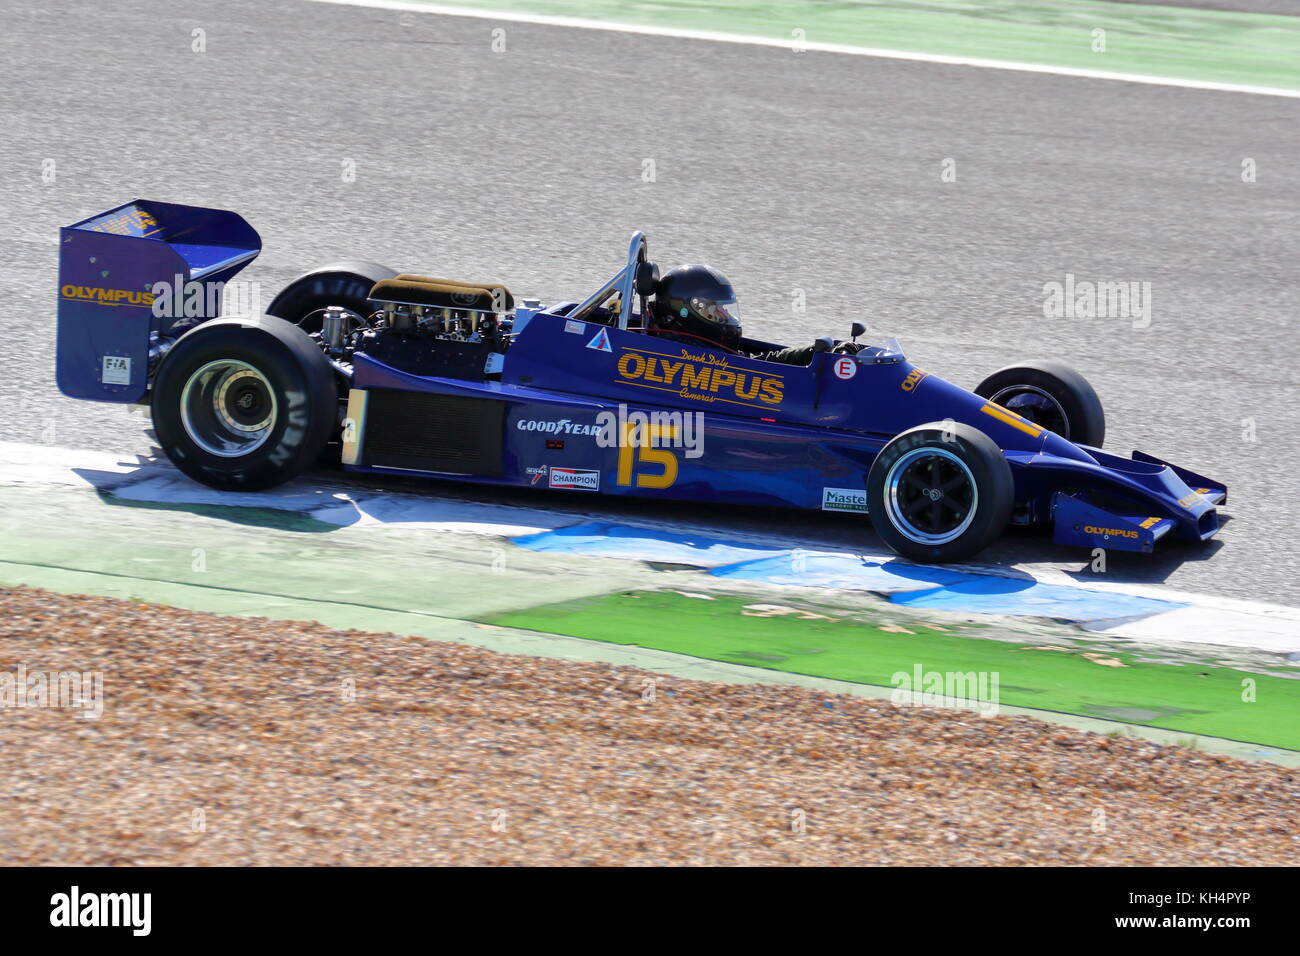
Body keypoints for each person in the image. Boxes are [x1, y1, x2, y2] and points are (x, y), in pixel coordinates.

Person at [651, 264, 850, 365]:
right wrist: (813, 353)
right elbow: (755, 366)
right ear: (687, 311)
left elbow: (755, 360)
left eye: (725, 307)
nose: (724, 314)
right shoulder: (686, 354)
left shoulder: (697, 347)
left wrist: (813, 352)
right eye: (715, 309)